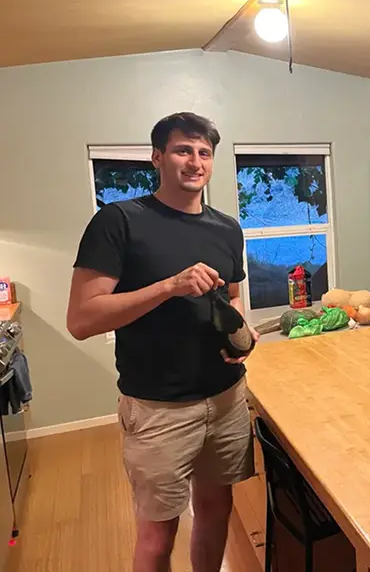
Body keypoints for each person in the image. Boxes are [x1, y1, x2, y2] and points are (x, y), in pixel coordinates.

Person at [66, 112, 259, 572]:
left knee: (216, 510)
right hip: (158, 408)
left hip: (228, 396)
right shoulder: (119, 222)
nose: (195, 161)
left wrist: (242, 333)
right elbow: (82, 319)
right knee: (158, 535)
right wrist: (169, 286)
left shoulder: (226, 228)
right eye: (183, 150)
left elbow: (232, 296)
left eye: (204, 153)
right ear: (157, 157)